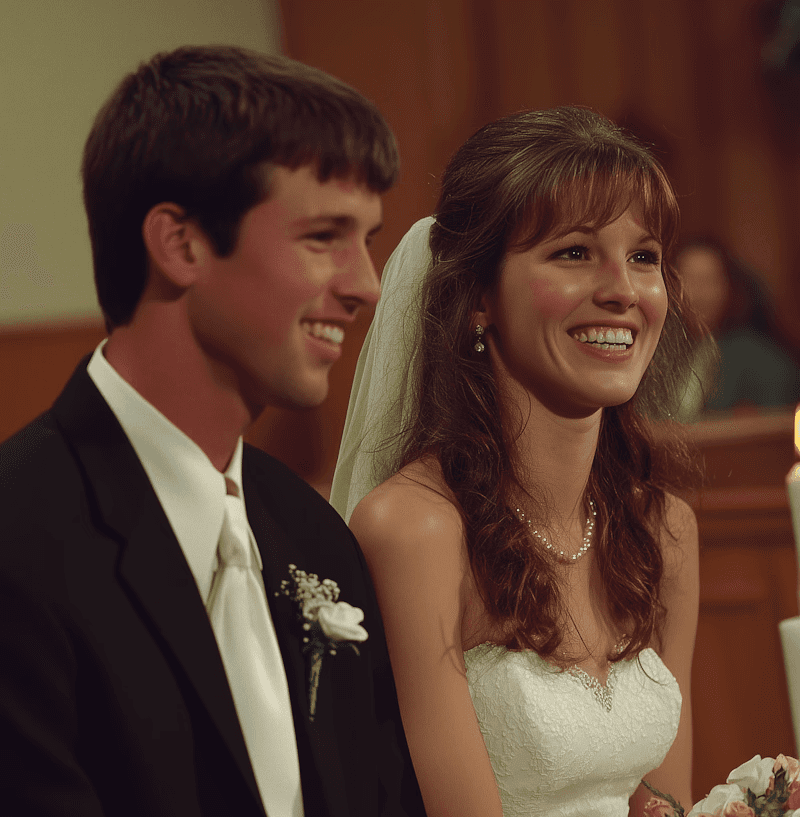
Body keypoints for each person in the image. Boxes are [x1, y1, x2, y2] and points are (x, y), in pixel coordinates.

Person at [0, 45, 424, 817]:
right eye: (325, 236)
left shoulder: (316, 538)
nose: (366, 282)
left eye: (368, 239)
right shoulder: (18, 540)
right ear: (181, 243)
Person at [331, 106, 702, 816]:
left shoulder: (665, 530)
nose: (623, 290)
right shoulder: (416, 529)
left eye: (644, 256)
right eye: (573, 252)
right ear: (478, 298)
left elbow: (669, 801)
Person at [675, 237, 800, 415]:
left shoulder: (756, 354)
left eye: (707, 281)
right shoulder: (666, 352)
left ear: (728, 287)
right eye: (687, 280)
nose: (697, 294)